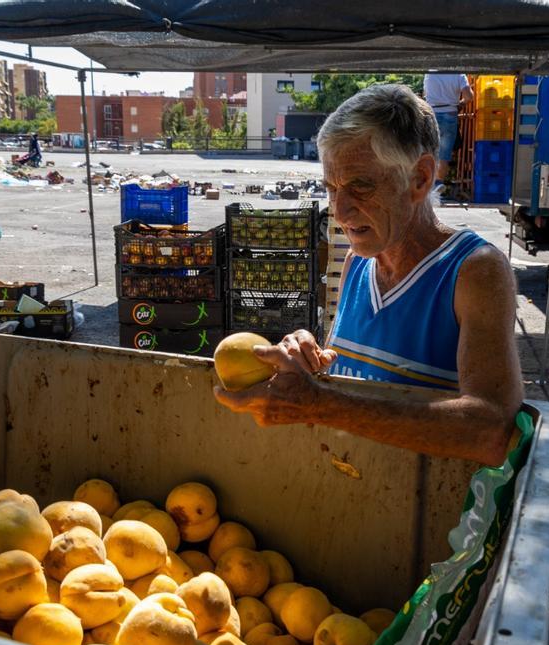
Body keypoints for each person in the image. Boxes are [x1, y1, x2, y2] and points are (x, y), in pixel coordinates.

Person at [215, 84, 522, 466]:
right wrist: (310, 360)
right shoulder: (358, 265)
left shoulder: (475, 271)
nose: (341, 210)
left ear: (420, 179)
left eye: (360, 185)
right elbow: (343, 386)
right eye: (331, 188)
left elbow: (492, 430)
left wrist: (319, 404)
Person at [421, 73, 472, 195]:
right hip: (450, 114)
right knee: (444, 153)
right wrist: (461, 104)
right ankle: (438, 183)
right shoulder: (459, 75)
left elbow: (424, 95)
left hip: (431, 113)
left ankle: (425, 183)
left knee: (428, 151)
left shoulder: (430, 73)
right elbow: (469, 96)